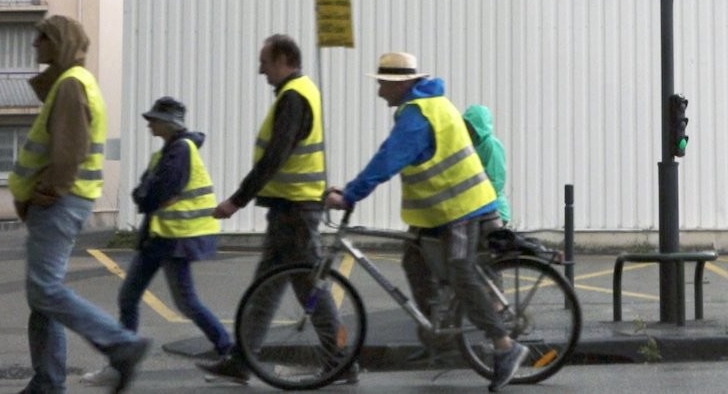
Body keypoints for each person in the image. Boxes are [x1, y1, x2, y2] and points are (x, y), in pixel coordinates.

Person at [324, 51, 529, 392]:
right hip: (439, 212)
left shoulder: (418, 117)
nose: (378, 91)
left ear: (402, 83)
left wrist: (349, 195)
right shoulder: (427, 106)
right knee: (413, 258)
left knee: (460, 269)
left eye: (383, 84)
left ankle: (505, 345)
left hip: (461, 208)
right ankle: (440, 333)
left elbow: (386, 161)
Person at [197, 34, 353, 383]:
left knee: (306, 286)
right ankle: (243, 361)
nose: (260, 70)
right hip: (291, 208)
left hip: (295, 210)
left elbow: (275, 156)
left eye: (264, 62)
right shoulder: (300, 92)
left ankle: (341, 360)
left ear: (283, 59)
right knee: (268, 286)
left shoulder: (294, 97)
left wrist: (237, 201)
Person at [9, 15, 151, 393]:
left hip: (60, 202)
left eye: (42, 38)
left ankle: (121, 344)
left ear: (58, 42)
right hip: (61, 202)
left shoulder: (72, 86)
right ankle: (48, 380)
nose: (34, 44)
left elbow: (68, 153)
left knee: (45, 291)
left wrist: (44, 193)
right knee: (43, 297)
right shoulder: (68, 83)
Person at [80, 97, 231, 386]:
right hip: (162, 237)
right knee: (140, 298)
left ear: (169, 123)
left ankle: (229, 352)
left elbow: (155, 192)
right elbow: (144, 191)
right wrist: (147, 195)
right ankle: (120, 365)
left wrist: (147, 196)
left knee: (175, 301)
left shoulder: (180, 151)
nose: (149, 123)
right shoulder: (168, 152)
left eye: (154, 119)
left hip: (174, 239)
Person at [463, 105, 511, 225]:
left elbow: (496, 181)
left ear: (477, 125)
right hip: (476, 210)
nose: (466, 127)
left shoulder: (491, 145)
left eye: (469, 124)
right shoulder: (469, 145)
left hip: (494, 211)